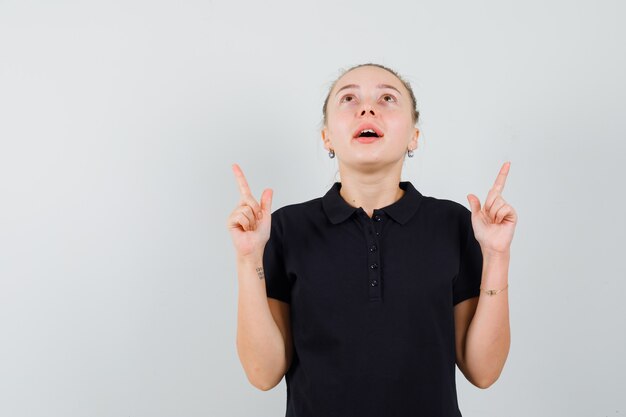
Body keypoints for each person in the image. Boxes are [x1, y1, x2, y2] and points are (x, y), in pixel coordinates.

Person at [227, 63, 517, 416]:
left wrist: (497, 254)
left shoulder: (455, 224)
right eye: (349, 98)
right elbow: (263, 373)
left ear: (414, 136)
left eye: (387, 98)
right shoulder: (285, 228)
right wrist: (248, 257)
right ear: (326, 137)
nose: (367, 108)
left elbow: (483, 372)